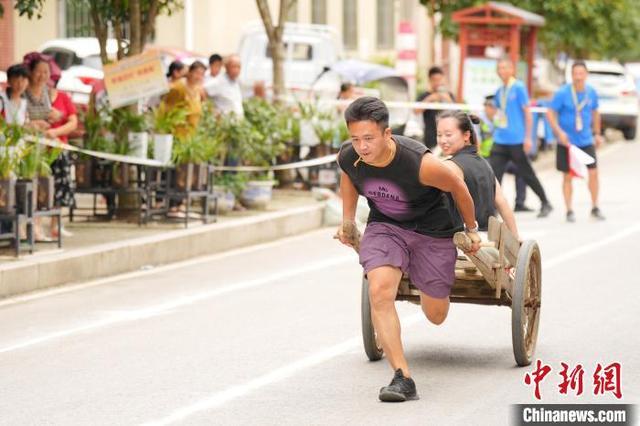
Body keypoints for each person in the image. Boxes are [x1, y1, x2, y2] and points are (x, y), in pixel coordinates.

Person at [336, 97, 481, 402]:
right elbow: (349, 176)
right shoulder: (350, 157)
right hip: (386, 226)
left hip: (433, 231)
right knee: (378, 290)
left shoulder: (420, 163)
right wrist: (348, 221)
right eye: (355, 139)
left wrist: (471, 229)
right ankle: (402, 377)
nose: (361, 147)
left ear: (387, 134)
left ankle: (420, 274)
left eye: (369, 139)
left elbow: (458, 185)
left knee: (436, 314)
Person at [437, 110, 519, 237]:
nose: (442, 140)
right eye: (439, 135)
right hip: (490, 237)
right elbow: (502, 202)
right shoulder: (485, 163)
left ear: (466, 135)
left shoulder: (450, 166)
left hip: (467, 239)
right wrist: (516, 236)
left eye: (448, 135)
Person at [489, 58, 552, 218]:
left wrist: (528, 138)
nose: (502, 70)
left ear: (512, 70)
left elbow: (527, 113)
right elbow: (497, 112)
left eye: (505, 67)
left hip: (516, 139)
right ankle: (492, 209)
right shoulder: (499, 91)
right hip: (500, 139)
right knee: (493, 175)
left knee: (526, 172)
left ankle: (545, 202)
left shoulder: (518, 87)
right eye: (499, 67)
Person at [546, 60, 605, 222]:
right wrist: (559, 133)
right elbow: (550, 113)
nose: (578, 77)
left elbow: (595, 112)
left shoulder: (591, 92)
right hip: (567, 142)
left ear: (586, 75)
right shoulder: (563, 93)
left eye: (581, 73)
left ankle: (595, 206)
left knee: (593, 173)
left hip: (586, 140)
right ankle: (569, 210)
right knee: (567, 176)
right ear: (571, 75)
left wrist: (597, 133)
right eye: (575, 74)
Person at [47, 71, 78, 239]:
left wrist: (56, 132)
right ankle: (36, 226)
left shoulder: (64, 98)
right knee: (43, 189)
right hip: (40, 151)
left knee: (61, 188)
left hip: (60, 149)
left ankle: (56, 224)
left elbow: (73, 122)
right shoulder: (37, 98)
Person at [160, 60, 206, 138]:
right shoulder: (178, 87)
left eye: (202, 74)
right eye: (197, 73)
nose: (199, 77)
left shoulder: (199, 90)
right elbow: (166, 105)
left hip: (191, 134)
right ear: (190, 72)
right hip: (176, 133)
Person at [415, 66, 455, 149]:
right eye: (435, 80)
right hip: (430, 135)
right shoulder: (425, 96)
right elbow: (416, 111)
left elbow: (457, 111)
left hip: (448, 134)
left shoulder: (449, 95)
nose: (438, 82)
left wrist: (447, 99)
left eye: (440, 79)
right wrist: (430, 99)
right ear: (430, 80)